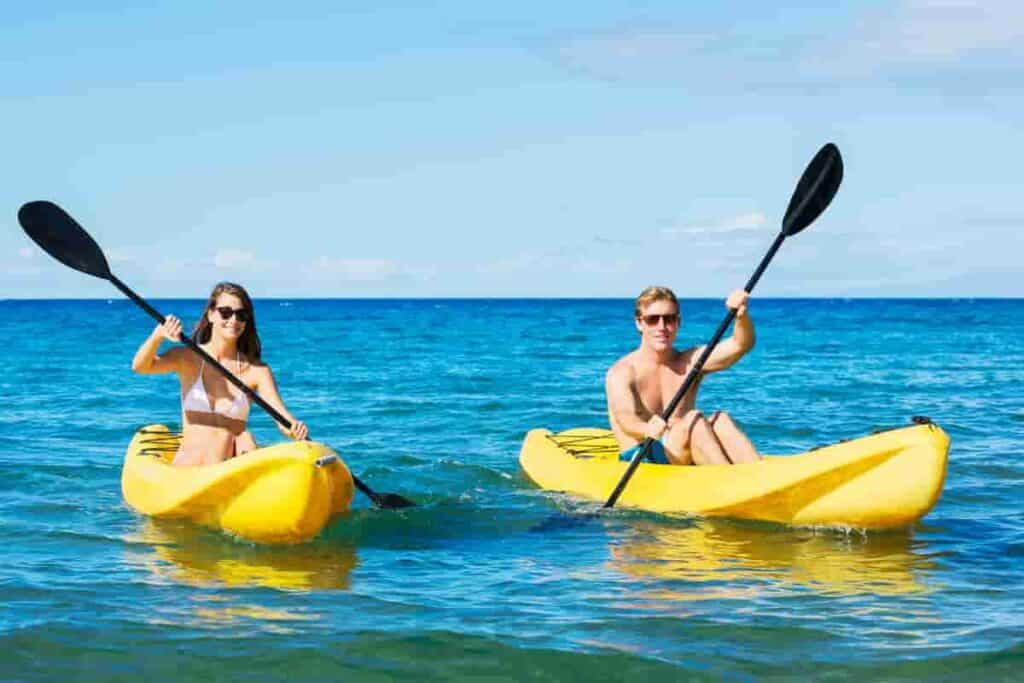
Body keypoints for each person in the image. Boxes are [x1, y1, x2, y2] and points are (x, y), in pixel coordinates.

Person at [131, 281, 308, 466]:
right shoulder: (188, 358)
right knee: (229, 438)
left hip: (229, 471)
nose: (234, 320)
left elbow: (282, 418)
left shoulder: (257, 371)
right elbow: (141, 367)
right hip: (190, 468)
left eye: (241, 315)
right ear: (211, 315)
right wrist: (158, 336)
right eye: (226, 312)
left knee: (245, 439)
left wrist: (294, 428)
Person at [605, 285, 759, 466]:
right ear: (640, 323)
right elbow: (626, 419)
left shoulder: (690, 362)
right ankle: (731, 483)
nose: (662, 327)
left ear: (678, 322)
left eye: (669, 319)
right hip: (643, 457)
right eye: (653, 320)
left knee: (720, 420)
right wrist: (646, 428)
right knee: (695, 421)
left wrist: (741, 316)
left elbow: (740, 345)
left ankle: (760, 477)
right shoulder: (622, 372)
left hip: (681, 450)